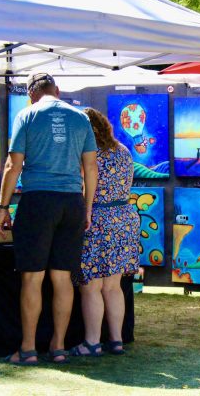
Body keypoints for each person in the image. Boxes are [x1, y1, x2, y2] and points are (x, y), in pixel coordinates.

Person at [0, 73, 98, 365]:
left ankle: (28, 349)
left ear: (31, 94)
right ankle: (58, 347)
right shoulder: (81, 118)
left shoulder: (26, 115)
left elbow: (12, 165)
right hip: (71, 203)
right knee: (62, 277)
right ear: (58, 90)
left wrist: (3, 207)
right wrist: (87, 208)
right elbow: (90, 168)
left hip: (38, 200)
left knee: (32, 277)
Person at [70, 108, 140, 357]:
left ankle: (91, 342)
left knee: (90, 285)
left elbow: (80, 187)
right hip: (124, 218)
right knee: (113, 286)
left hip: (96, 219)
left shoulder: (87, 154)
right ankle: (117, 340)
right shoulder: (123, 150)